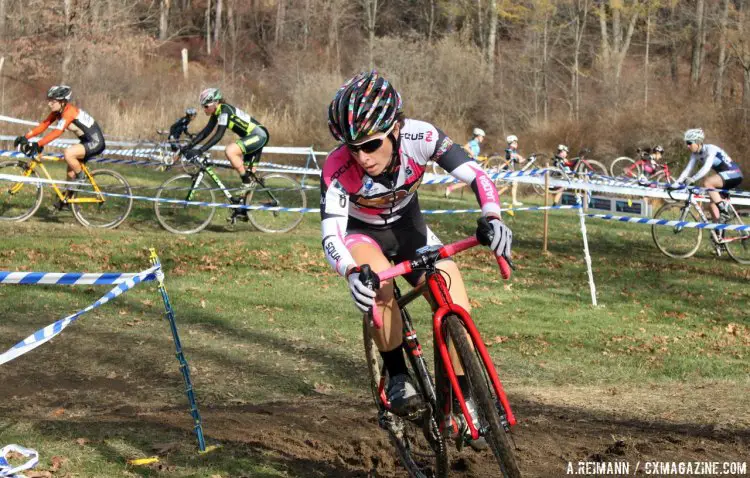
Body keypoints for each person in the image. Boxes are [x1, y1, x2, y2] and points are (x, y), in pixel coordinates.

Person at [321, 71, 512, 448]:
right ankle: (397, 374)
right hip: (363, 235)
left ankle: (464, 397)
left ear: (395, 128)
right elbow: (331, 234)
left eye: (371, 144)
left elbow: (475, 175)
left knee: (453, 298)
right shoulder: (338, 167)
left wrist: (492, 215)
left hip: (411, 230)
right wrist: (350, 272)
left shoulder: (421, 137)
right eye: (353, 147)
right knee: (378, 282)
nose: (362, 156)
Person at [14, 85, 106, 209]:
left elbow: (57, 132)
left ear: (62, 102)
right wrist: (26, 137)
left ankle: (81, 177)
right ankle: (68, 201)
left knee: (68, 153)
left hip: (96, 141)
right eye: (49, 100)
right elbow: (44, 125)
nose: (49, 104)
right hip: (86, 140)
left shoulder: (69, 112)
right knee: (70, 172)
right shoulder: (58, 112)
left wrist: (38, 144)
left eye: (53, 101)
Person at [182, 88, 269, 191]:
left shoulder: (224, 111)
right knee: (247, 175)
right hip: (251, 138)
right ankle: (244, 205)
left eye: (206, 106)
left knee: (230, 151)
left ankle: (247, 181)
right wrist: (189, 146)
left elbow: (218, 135)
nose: (204, 109)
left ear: (215, 103)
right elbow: (206, 132)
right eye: (202, 107)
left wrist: (200, 151)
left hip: (259, 135)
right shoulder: (217, 112)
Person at [673, 129, 744, 222]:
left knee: (707, 182)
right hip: (724, 177)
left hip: (734, 174)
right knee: (712, 206)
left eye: (689, 143)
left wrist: (693, 179)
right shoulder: (695, 154)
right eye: (686, 143)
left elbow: (706, 168)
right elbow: (687, 170)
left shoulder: (710, 149)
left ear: (698, 142)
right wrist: (676, 184)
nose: (687, 145)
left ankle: (725, 211)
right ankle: (718, 234)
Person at [444, 127, 485, 197]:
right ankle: (450, 188)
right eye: (482, 137)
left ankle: (450, 188)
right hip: (468, 164)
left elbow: (475, 156)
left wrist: (482, 159)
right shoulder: (473, 142)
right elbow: (465, 147)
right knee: (469, 180)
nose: (483, 138)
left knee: (467, 181)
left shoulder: (476, 144)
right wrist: (471, 153)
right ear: (478, 136)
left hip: (472, 163)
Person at [503, 134, 526, 206]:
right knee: (514, 184)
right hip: (508, 170)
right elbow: (511, 156)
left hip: (511, 170)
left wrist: (522, 160)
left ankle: (497, 196)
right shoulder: (509, 150)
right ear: (511, 143)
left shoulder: (514, 151)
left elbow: (517, 161)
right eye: (515, 142)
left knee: (509, 186)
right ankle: (514, 201)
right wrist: (519, 156)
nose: (516, 144)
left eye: (516, 142)